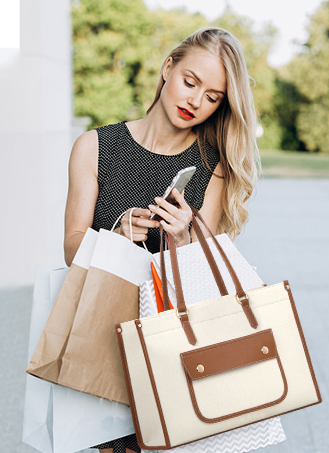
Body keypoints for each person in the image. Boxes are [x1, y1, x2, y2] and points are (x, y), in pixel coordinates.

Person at [64, 27, 260, 453]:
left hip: (172, 352)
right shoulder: (94, 146)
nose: (195, 101)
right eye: (191, 82)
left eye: (212, 97)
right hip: (102, 340)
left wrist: (184, 235)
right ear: (168, 67)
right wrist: (115, 235)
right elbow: (71, 246)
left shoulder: (213, 167)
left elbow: (202, 276)